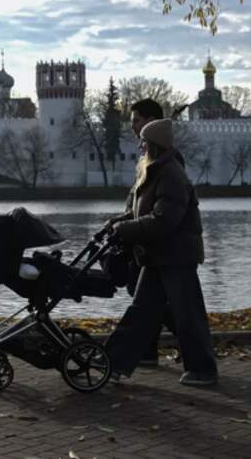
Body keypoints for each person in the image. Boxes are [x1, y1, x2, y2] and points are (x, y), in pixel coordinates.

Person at [105, 118, 218, 386]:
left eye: (143, 143)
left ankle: (203, 370)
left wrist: (126, 228)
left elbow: (165, 220)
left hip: (177, 256)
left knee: (187, 314)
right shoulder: (155, 171)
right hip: (158, 255)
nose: (140, 147)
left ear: (154, 145)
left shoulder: (170, 174)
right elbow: (143, 212)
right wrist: (119, 221)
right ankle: (113, 363)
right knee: (142, 311)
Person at [103, 99, 173, 367]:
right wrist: (121, 219)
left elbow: (161, 211)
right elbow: (139, 202)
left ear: (151, 122)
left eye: (136, 120)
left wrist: (127, 225)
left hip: (153, 242)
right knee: (146, 298)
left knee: (147, 300)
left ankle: (193, 349)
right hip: (141, 239)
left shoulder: (165, 161)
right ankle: (148, 352)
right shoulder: (149, 157)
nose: (132, 126)